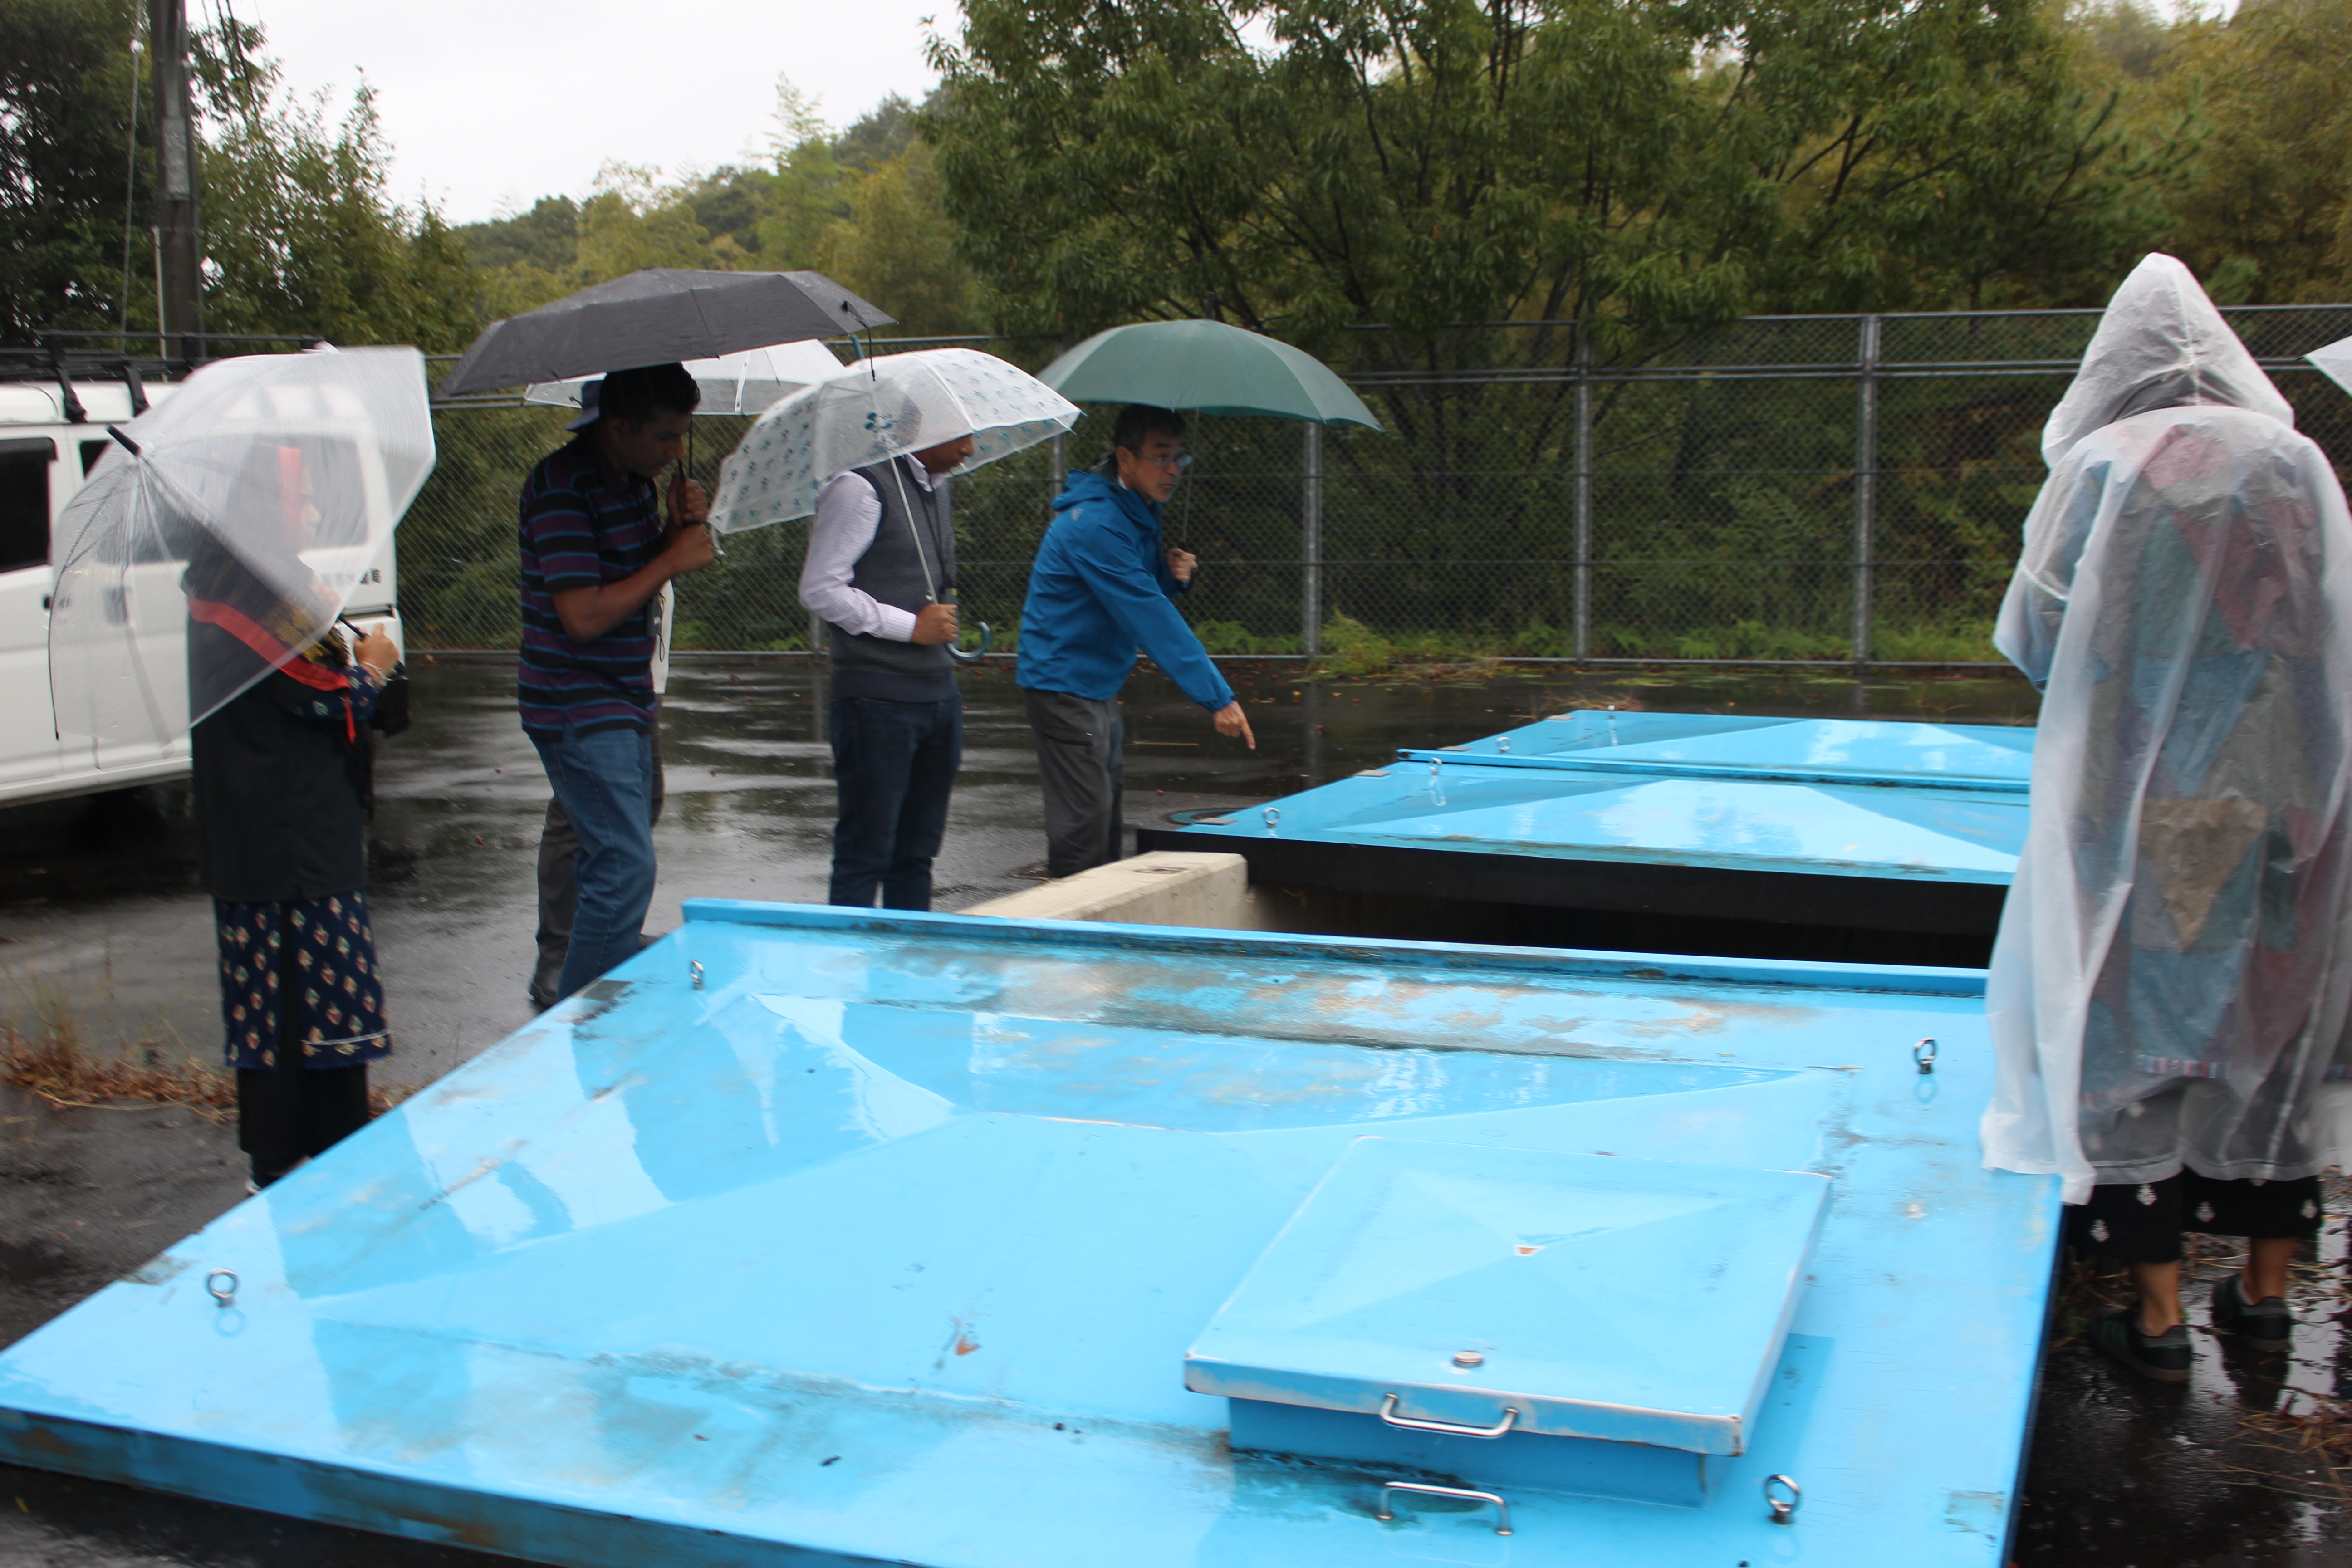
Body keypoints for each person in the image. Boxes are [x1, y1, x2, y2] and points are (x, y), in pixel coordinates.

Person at [1981, 253, 2352, 1381]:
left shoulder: (2099, 468)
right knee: (2268, 1023)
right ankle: (2266, 1294)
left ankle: (2150, 1318)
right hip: (2289, 783)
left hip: (2142, 798)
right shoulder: (2293, 462)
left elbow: (2036, 635)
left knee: (2132, 1040)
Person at [187, 518, 399, 1190]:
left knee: (270, 1008)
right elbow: (312, 697)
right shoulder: (247, 603)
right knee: (305, 1008)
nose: (307, 503)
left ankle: (284, 1159)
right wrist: (372, 669)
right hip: (291, 843)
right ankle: (310, 1165)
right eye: (292, 489)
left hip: (265, 840)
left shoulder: (239, 586)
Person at [518, 362, 714, 1003]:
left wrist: (675, 527)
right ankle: (579, 1025)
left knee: (627, 844)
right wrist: (671, 557)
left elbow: (630, 576)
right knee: (624, 865)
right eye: (664, 438)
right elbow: (583, 614)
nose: (675, 452)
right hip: (575, 701)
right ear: (619, 425)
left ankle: (600, 967)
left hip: (626, 691)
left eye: (682, 437)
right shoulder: (562, 487)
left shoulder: (634, 481)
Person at [1014, 405, 1256, 877]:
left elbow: (1132, 594)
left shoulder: (1138, 509)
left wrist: (1170, 577)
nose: (1172, 470)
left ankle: (1095, 935)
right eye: (1161, 456)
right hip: (1063, 686)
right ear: (1125, 459)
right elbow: (1150, 616)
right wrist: (1217, 697)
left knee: (1104, 823)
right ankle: (1068, 943)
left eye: (1179, 458)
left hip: (1095, 685)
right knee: (1084, 832)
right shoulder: (1097, 523)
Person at [801, 432, 975, 909]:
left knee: (916, 858)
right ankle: (850, 976)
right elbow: (819, 590)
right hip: (876, 702)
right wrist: (909, 628)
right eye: (963, 435)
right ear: (930, 426)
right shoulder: (860, 487)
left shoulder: (937, 486)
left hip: (938, 697)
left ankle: (910, 973)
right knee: (866, 855)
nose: (971, 449)